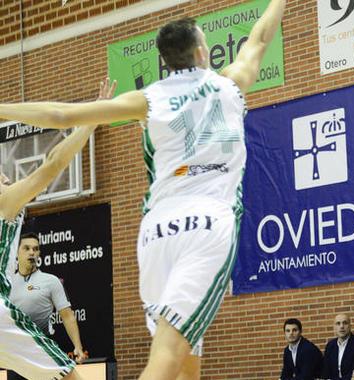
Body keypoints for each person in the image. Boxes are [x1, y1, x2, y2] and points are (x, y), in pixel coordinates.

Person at [0, 1, 286, 378]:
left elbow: (60, 116)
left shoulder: (149, 99)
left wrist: (3, 108)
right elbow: (261, 36)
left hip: (156, 230)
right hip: (207, 223)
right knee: (168, 357)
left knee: (185, 360)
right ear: (204, 52)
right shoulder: (228, 82)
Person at [0, 79, 112, 380]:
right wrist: (91, 121)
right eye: (2, 175)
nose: (6, 176)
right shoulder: (5, 201)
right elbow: (52, 163)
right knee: (68, 375)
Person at [9, 233, 86, 362]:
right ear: (17, 253)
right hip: (17, 355)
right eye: (26, 248)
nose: (32, 252)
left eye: (35, 249)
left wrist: (78, 347)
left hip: (43, 351)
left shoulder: (51, 281)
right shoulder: (7, 283)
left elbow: (67, 316)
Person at [323, 313, 354, 380]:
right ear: (334, 327)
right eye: (338, 323)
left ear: (350, 326)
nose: (341, 326)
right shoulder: (330, 346)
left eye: (345, 323)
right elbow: (326, 371)